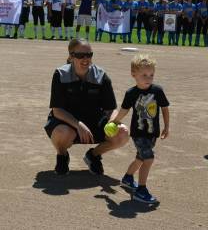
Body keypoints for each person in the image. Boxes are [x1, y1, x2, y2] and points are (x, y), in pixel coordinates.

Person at [44, 38, 129, 175]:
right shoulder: (60, 75)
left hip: (94, 123)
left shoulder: (101, 76)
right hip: (68, 123)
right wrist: (78, 125)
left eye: (89, 55)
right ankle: (62, 155)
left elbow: (111, 108)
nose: (85, 59)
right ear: (71, 56)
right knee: (63, 133)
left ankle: (93, 155)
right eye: (80, 55)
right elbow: (57, 110)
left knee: (122, 133)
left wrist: (113, 123)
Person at [111, 54, 169, 203]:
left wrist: (166, 126)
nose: (148, 78)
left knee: (141, 158)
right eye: (144, 75)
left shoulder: (157, 90)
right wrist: (115, 122)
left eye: (151, 75)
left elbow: (164, 108)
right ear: (134, 74)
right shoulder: (131, 93)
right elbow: (124, 110)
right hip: (138, 133)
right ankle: (141, 190)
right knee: (148, 158)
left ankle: (128, 178)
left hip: (152, 133)